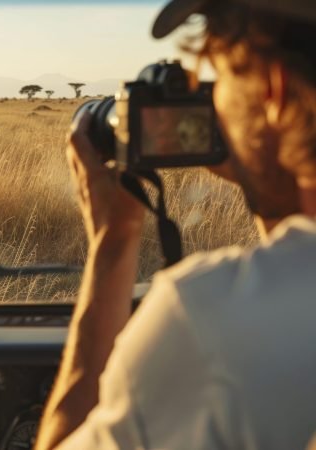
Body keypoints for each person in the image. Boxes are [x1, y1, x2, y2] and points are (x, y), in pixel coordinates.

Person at [35, 0, 316, 449]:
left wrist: (113, 240)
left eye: (221, 81)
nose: (214, 105)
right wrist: (272, 177)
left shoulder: (209, 318)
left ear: (275, 92)